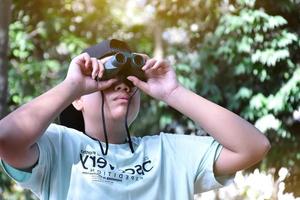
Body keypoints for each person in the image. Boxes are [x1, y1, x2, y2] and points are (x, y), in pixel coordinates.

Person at [0, 39, 270, 200]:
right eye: (105, 79)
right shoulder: (59, 148)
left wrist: (174, 92)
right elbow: (6, 139)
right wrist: (71, 85)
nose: (122, 86)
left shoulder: (170, 154)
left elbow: (253, 146)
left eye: (131, 81)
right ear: (79, 99)